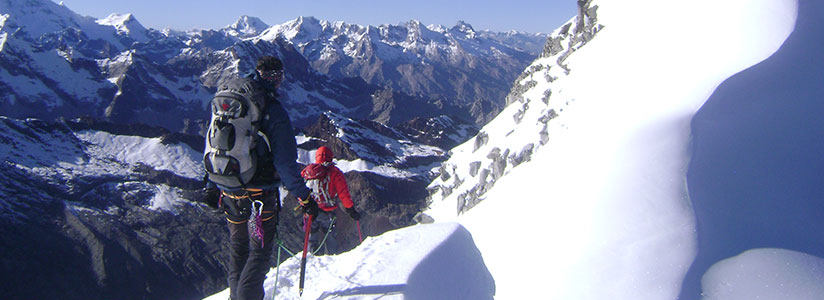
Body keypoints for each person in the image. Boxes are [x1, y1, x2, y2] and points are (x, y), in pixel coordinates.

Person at [202, 55, 316, 300]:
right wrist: (304, 197)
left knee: (239, 250)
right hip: (259, 195)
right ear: (278, 77)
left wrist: (212, 183)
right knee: (259, 253)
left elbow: (214, 144)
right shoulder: (272, 110)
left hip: (229, 188)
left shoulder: (232, 102)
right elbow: (285, 163)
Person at [300, 146, 361, 254]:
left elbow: (299, 189)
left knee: (311, 237)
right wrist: (351, 209)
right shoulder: (335, 172)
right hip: (327, 210)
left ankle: (312, 259)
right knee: (330, 237)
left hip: (310, 212)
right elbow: (343, 194)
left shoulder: (308, 171)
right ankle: (331, 259)